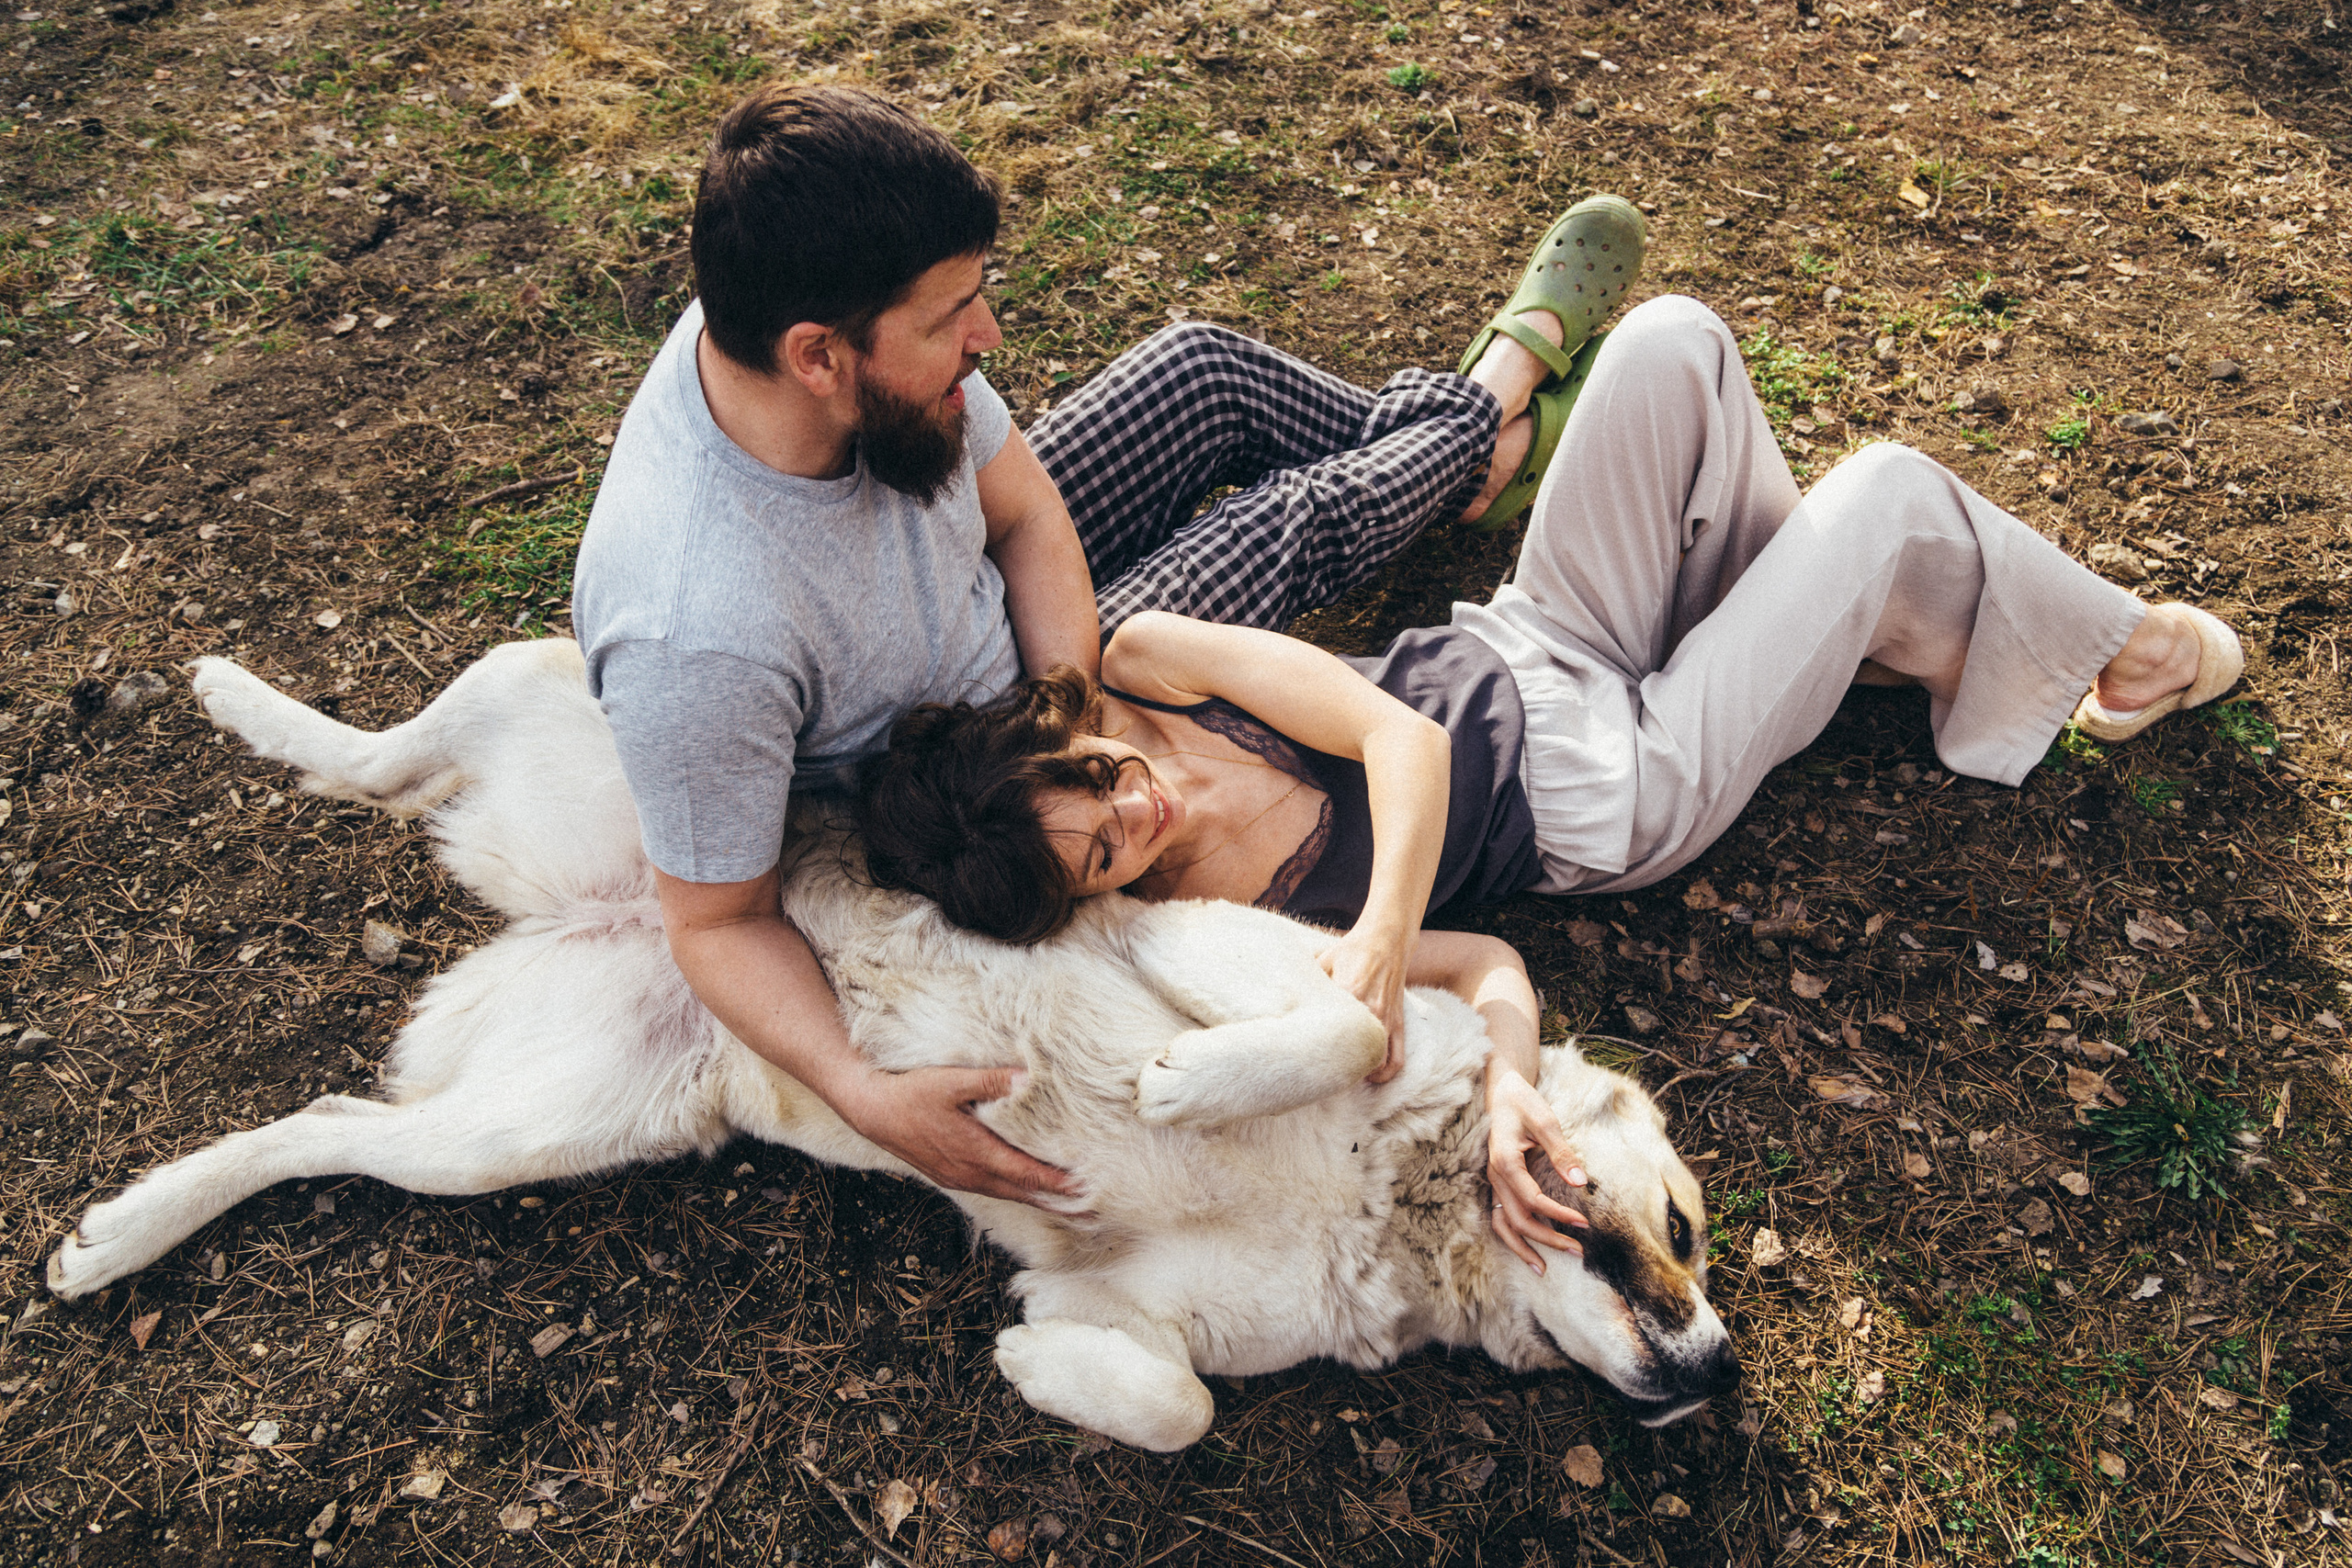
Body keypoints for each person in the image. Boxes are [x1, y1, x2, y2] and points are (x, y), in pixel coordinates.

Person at [853, 290, 2245, 1271]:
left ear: (1063, 730)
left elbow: (1403, 737)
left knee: (1672, 340)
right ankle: (2119, 649)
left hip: (1538, 635)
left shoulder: (1142, 659)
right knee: (1877, 491)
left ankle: (1843, 632)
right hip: (1615, 790)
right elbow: (1491, 963)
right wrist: (1512, 1090)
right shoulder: (1202, 928)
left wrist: (1378, 940)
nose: (1135, 810)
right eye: (1103, 852)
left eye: (1099, 779)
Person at [568, 82, 1646, 1215]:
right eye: (950, 321)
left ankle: (1466, 447)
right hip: (975, 753)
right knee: (1281, 526)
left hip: (1039, 677)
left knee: (1198, 376)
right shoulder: (699, 640)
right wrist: (857, 1088)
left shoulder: (822, 327)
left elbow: (1027, 517)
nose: (986, 340)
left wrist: (1074, 707)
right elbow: (715, 920)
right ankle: (1494, 401)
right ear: (819, 359)